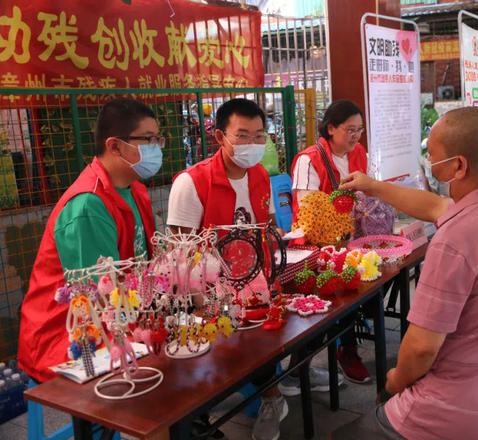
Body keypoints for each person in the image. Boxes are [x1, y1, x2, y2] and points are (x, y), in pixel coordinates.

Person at [332, 107, 478, 440]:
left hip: (455, 414)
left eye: (433, 156)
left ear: (458, 166)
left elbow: (422, 349)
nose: (429, 161)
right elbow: (434, 206)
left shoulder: (455, 239)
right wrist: (373, 186)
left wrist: (395, 381)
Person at [167, 98, 337, 440]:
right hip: (210, 296)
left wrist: (274, 274)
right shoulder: (192, 183)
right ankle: (269, 395)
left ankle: (286, 378)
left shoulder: (260, 174)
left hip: (257, 283)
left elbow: (268, 231)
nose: (253, 144)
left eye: (260, 135)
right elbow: (180, 258)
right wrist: (209, 304)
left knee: (317, 308)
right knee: (240, 344)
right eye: (242, 135)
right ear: (219, 137)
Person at [18, 99, 160, 383]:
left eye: (158, 139)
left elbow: (145, 268)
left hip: (123, 312)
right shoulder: (87, 206)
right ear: (115, 146)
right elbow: (100, 298)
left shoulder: (135, 191)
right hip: (68, 333)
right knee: (162, 367)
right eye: (148, 139)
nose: (157, 148)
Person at [290, 99, 371, 384]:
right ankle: (306, 364)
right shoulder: (308, 159)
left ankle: (348, 347)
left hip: (351, 238)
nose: (356, 136)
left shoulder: (358, 153)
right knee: (332, 294)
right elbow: (307, 211)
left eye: (359, 130)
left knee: (363, 285)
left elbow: (367, 191)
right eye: (350, 129)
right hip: (314, 246)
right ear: (331, 128)